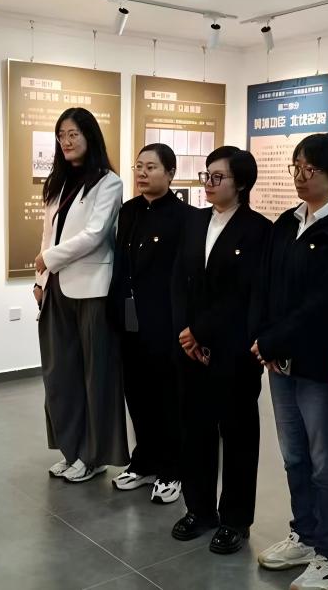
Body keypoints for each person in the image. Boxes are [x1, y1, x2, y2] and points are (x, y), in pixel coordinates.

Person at [251, 133, 328, 589]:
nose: (300, 176)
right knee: (294, 456)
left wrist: (272, 339)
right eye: (297, 167)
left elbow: (327, 302)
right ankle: (304, 534)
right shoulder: (287, 222)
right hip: (281, 362)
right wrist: (263, 338)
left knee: (327, 463)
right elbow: (266, 285)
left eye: (311, 169)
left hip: (321, 365)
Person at [170, 146, 272, 554]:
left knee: (238, 434)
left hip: (233, 349)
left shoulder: (258, 230)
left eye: (218, 177)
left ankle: (235, 519)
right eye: (206, 176)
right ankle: (199, 509)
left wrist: (199, 331)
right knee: (194, 430)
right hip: (190, 348)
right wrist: (184, 331)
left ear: (241, 183)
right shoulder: (195, 222)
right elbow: (179, 280)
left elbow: (243, 294)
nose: (209, 184)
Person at [35, 107, 128, 483]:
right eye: (61, 135)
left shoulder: (109, 182)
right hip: (56, 287)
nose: (67, 141)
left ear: (90, 136)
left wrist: (49, 260)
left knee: (95, 377)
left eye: (73, 134)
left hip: (92, 290)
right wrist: (40, 279)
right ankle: (72, 450)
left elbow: (95, 235)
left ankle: (94, 457)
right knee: (60, 374)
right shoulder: (57, 183)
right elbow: (47, 234)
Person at [108, 143, 191, 503]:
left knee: (166, 396)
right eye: (138, 166)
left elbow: (184, 276)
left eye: (151, 167)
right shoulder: (128, 211)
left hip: (164, 321)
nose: (142, 173)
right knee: (137, 393)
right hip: (129, 318)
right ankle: (144, 461)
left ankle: (173, 469)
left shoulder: (185, 217)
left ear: (170, 173)